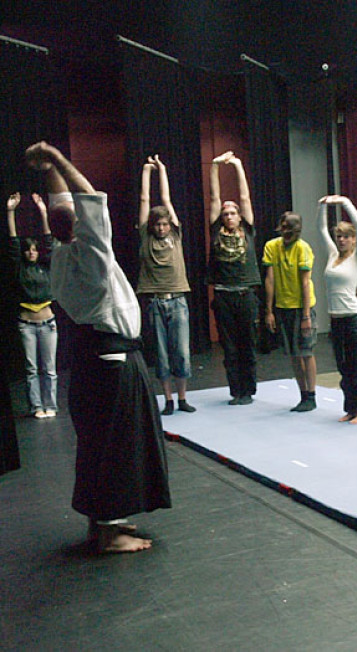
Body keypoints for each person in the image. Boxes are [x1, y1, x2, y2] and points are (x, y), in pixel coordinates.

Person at [28, 140, 170, 554]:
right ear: (76, 227)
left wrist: (47, 169)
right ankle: (109, 533)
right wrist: (56, 159)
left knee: (97, 442)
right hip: (112, 362)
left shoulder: (59, 256)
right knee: (116, 444)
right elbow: (90, 200)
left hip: (93, 360)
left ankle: (102, 523)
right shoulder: (90, 258)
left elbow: (63, 206)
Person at [136, 155, 195, 416]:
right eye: (157, 224)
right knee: (161, 354)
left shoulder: (176, 235)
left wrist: (162, 169)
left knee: (181, 352)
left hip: (178, 300)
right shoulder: (145, 237)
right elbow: (145, 201)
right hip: (155, 301)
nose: (161, 227)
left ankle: (182, 398)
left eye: (164, 224)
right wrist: (146, 172)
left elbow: (166, 201)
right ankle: (168, 400)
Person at [317, 195, 357, 423]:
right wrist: (322, 206)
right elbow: (320, 228)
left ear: (353, 240)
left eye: (346, 237)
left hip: (354, 319)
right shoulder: (332, 256)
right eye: (339, 236)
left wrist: (344, 202)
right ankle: (351, 407)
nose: (341, 240)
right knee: (344, 368)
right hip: (336, 320)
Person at [208, 151, 260, 405]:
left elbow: (244, 197)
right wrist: (215, 166)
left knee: (247, 344)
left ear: (239, 217)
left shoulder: (247, 230)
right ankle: (235, 391)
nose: (228, 216)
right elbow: (214, 197)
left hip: (246, 293)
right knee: (229, 347)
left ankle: (248, 390)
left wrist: (238, 165)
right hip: (223, 294)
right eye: (226, 213)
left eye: (232, 213)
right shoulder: (216, 230)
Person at [6, 192, 58, 418]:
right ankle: (37, 406)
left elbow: (49, 241)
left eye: (34, 250)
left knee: (49, 370)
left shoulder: (45, 266)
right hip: (27, 323)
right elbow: (13, 243)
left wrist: (43, 211)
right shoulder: (20, 267)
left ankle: (51, 405)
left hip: (48, 322)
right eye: (29, 250)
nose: (31, 252)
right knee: (31, 369)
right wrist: (10, 212)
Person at [263, 211, 318, 412]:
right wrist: (269, 311)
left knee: (306, 351)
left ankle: (311, 394)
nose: (286, 232)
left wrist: (305, 316)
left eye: (291, 229)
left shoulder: (303, 249)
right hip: (283, 307)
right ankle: (302, 394)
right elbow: (270, 279)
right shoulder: (272, 246)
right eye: (284, 227)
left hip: (302, 306)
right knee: (294, 354)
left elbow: (305, 283)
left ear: (298, 231)